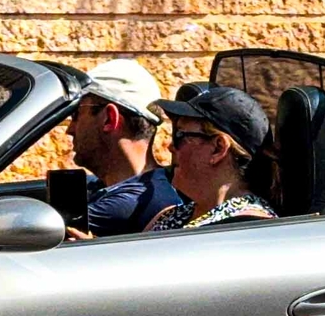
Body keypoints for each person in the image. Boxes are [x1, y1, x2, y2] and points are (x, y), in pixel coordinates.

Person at [68, 59, 183, 236]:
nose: (69, 129)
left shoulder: (126, 204)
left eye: (76, 115)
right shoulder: (153, 185)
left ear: (109, 119)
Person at [145, 84, 276, 231]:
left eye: (180, 135)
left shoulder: (245, 226)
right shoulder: (171, 215)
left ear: (218, 149)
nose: (170, 147)